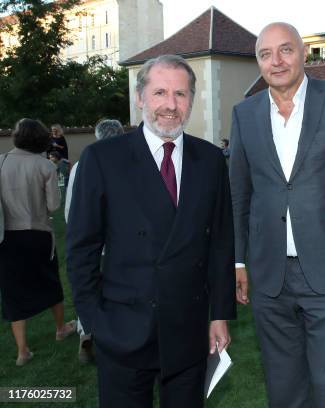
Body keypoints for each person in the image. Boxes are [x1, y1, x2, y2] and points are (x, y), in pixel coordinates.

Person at [66, 55, 236, 408]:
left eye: (180, 94)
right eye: (160, 92)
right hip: (123, 329)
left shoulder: (210, 160)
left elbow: (220, 243)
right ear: (140, 97)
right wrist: (94, 321)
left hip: (189, 330)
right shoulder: (103, 159)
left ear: (191, 99)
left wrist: (219, 314)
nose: (170, 105)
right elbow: (81, 248)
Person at [230, 22, 325, 408]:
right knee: (282, 383)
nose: (276, 61)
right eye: (265, 54)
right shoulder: (244, 114)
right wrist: (239, 260)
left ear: (303, 53)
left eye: (285, 50)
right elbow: (239, 194)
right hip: (268, 274)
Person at [0, 119, 76, 367]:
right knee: (50, 281)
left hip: (7, 236)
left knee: (12, 290)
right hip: (38, 234)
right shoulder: (45, 166)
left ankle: (22, 351)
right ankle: (61, 328)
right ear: (41, 138)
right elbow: (53, 205)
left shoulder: (0, 161)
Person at [64, 118, 124, 364]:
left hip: (92, 242)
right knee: (115, 293)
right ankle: (111, 336)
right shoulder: (130, 162)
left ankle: (86, 331)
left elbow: (70, 209)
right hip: (118, 244)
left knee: (88, 286)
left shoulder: (81, 165)